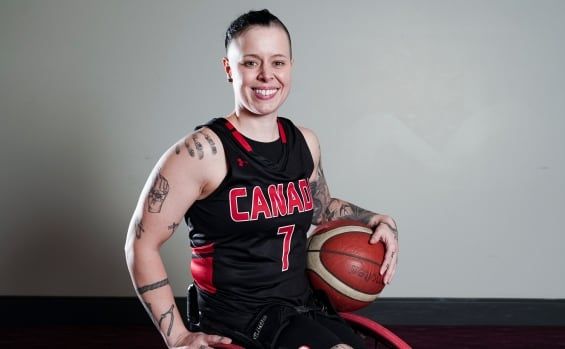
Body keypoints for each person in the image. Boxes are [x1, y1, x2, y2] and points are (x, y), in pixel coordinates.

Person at [125, 9, 399, 349]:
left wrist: (376, 219)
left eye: (278, 63)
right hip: (239, 319)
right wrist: (177, 336)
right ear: (229, 68)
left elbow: (319, 207)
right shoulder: (201, 153)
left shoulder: (304, 142)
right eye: (251, 63)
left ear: (291, 68)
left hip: (301, 307)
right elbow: (141, 243)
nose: (266, 75)